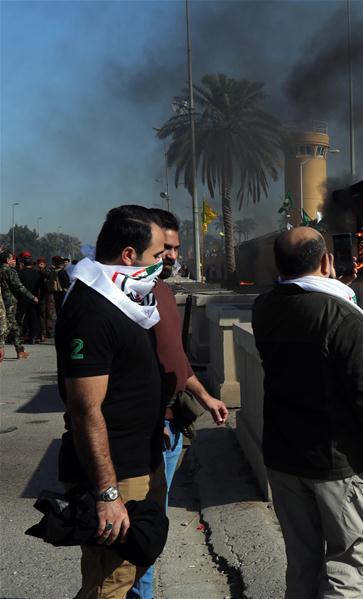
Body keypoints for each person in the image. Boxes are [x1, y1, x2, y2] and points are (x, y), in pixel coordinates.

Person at [252, 227, 363, 599]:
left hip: (284, 459)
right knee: (345, 569)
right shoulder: (343, 317)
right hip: (335, 463)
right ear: (326, 261)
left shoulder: (264, 308)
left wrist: (331, 286)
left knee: (302, 564)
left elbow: (300, 308)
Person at [55, 205, 168, 599]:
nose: (162, 262)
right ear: (129, 255)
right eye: (157, 254)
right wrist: (107, 494)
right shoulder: (91, 309)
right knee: (109, 581)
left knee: (133, 566)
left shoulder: (123, 299)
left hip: (139, 458)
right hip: (115, 473)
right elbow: (85, 410)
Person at [127, 210, 229, 599]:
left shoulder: (163, 293)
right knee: (143, 524)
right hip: (147, 430)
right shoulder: (128, 297)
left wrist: (204, 396)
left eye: (173, 249)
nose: (170, 256)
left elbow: (176, 359)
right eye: (163, 249)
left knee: (153, 520)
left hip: (169, 425)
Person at [0, 250, 39, 359]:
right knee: (8, 326)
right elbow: (19, 287)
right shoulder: (10, 272)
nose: (13, 260)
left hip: (2, 301)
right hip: (9, 302)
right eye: (11, 258)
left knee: (13, 326)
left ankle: (19, 350)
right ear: (7, 260)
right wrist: (32, 297)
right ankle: (4, 348)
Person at [16, 255, 43, 343]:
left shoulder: (19, 273)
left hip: (22, 299)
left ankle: (15, 336)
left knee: (18, 318)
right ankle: (33, 337)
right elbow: (42, 287)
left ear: (23, 264)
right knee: (33, 318)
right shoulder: (37, 273)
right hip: (34, 299)